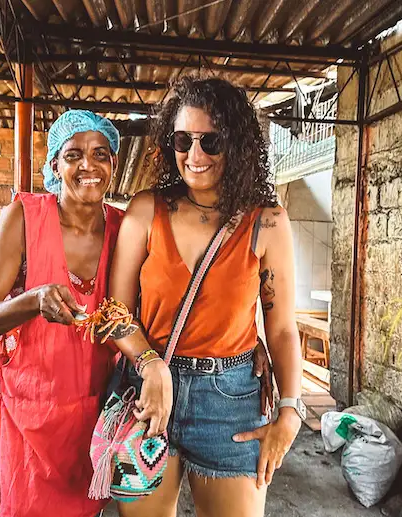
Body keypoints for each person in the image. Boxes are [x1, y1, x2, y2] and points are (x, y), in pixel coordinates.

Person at [108, 77, 303, 517]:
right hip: (147, 396)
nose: (194, 156)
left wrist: (290, 410)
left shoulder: (267, 222)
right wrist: (149, 363)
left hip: (231, 403)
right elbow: (115, 311)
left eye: (210, 141)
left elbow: (283, 327)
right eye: (183, 140)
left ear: (235, 145)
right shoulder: (145, 210)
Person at [0, 110, 151, 517]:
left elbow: (151, 309)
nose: (88, 166)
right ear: (54, 165)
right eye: (73, 155)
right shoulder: (24, 218)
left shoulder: (125, 230)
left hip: (92, 423)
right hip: (26, 421)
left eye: (101, 154)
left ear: (114, 164)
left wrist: (253, 341)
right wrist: (31, 301)